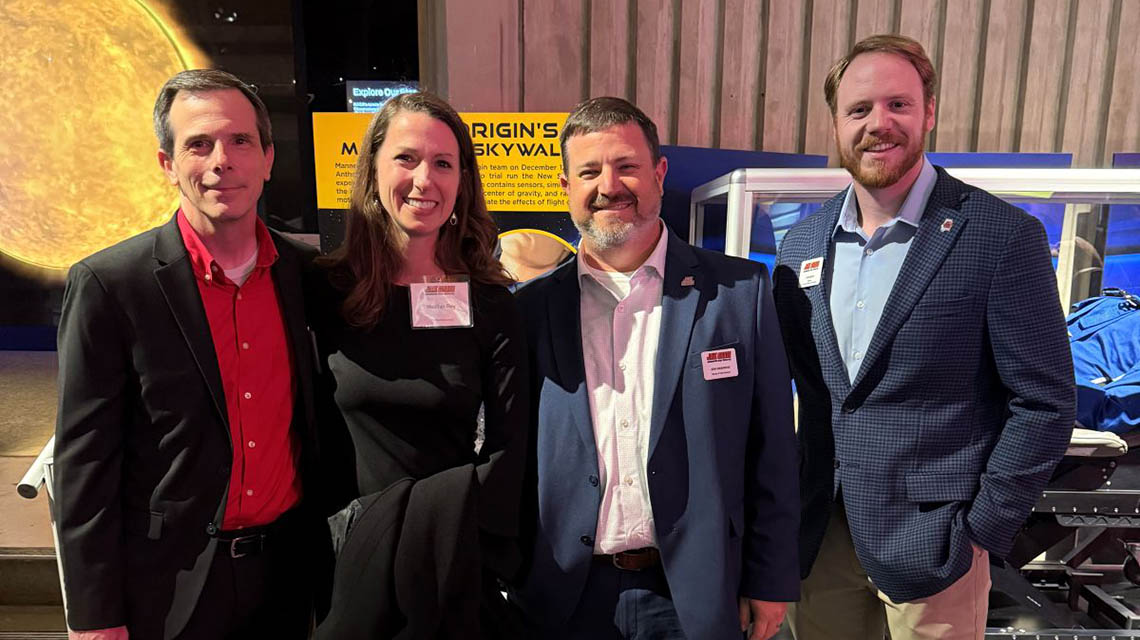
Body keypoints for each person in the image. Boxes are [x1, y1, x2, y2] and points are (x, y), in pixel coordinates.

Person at [772, 34, 1075, 640]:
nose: (877, 124)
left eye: (898, 105)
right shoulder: (802, 246)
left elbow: (1044, 402)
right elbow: (809, 391)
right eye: (859, 110)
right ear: (835, 122)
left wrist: (984, 528)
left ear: (929, 112)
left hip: (937, 548)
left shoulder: (999, 236)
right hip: (820, 542)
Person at [53, 69, 332, 640]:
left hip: (287, 578)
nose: (221, 160)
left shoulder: (310, 277)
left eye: (240, 141)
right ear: (167, 164)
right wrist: (95, 615)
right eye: (198, 144)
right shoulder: (110, 286)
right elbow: (86, 464)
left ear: (268, 158)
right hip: (167, 588)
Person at [510, 96, 800, 640]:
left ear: (660, 173)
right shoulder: (528, 311)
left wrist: (771, 577)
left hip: (696, 593)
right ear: (567, 186)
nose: (609, 185)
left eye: (626, 166)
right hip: (563, 597)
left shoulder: (739, 293)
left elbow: (774, 449)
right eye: (589, 171)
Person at [308, 91, 529, 637]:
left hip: (449, 567)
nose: (424, 180)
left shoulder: (492, 303)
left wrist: (447, 535)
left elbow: (511, 448)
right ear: (374, 170)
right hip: (348, 561)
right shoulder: (322, 292)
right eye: (406, 158)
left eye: (443, 163)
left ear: (462, 182)